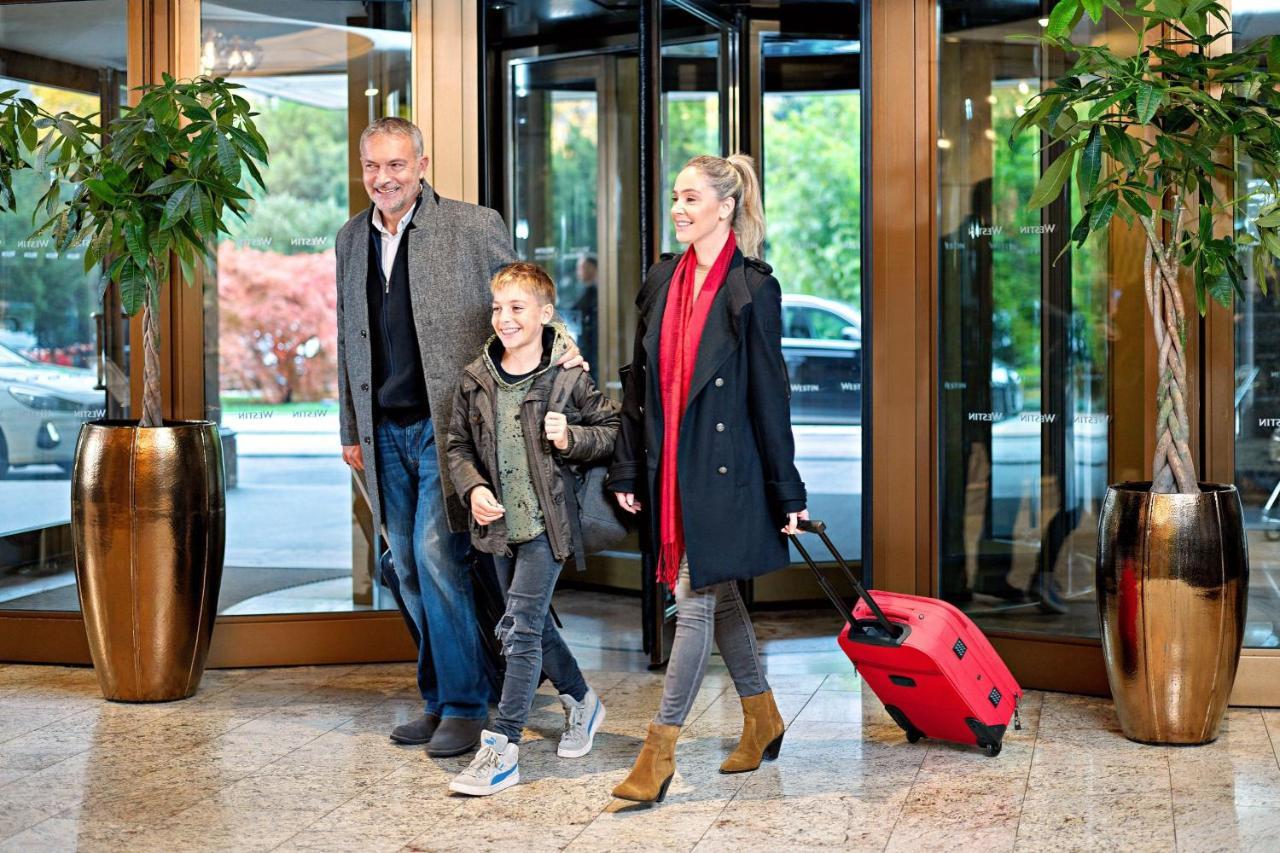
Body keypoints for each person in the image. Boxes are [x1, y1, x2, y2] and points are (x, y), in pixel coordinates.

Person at [335, 117, 582, 757]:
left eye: (395, 165)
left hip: (452, 429)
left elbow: (522, 302)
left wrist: (562, 360)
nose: (383, 178)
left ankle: (468, 707)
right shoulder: (349, 238)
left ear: (421, 162)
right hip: (379, 431)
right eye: (371, 167)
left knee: (438, 558)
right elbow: (347, 339)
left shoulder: (473, 225)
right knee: (406, 569)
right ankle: (439, 699)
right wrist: (349, 428)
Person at [606, 154, 808, 803]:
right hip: (668, 471)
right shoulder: (662, 278)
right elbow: (637, 384)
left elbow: (769, 398)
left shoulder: (752, 287)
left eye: (691, 198)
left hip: (724, 474)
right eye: (675, 197)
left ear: (725, 206)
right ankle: (762, 715)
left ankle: (658, 750)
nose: (679, 209)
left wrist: (788, 492)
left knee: (692, 603)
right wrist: (630, 463)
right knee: (717, 596)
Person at [444, 261, 616, 795]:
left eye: (517, 308)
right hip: (499, 529)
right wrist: (473, 489)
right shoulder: (476, 379)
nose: (505, 318)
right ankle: (583, 702)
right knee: (531, 623)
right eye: (498, 308)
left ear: (545, 314)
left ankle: (502, 747)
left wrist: (571, 439)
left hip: (548, 525)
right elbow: (457, 447)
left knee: (519, 629)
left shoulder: (568, 376)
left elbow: (609, 431)